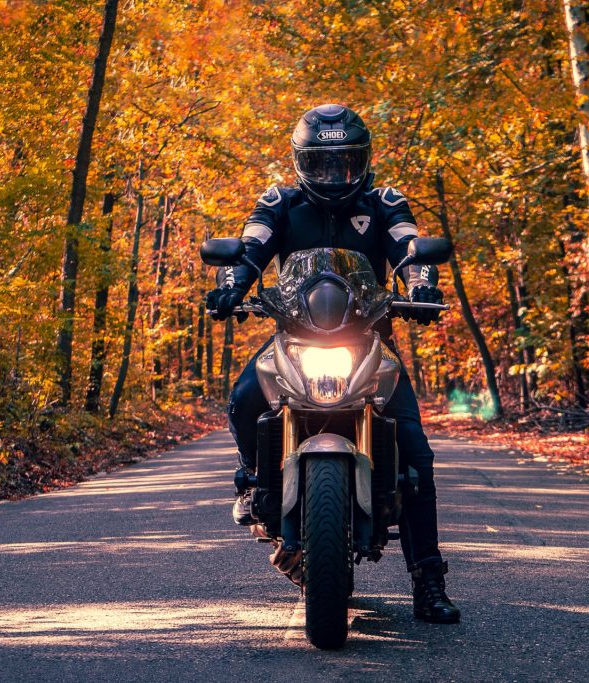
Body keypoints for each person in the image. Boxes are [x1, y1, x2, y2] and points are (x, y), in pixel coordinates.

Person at [204, 104, 459, 624]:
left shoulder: (383, 201)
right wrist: (232, 284)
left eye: (344, 163)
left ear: (362, 161)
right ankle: (254, 481)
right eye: (321, 164)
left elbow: (408, 245)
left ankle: (428, 582)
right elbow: (252, 245)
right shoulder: (280, 201)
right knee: (243, 397)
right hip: (295, 338)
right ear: (301, 162)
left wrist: (422, 285)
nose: (333, 175)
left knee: (415, 452)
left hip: (368, 342)